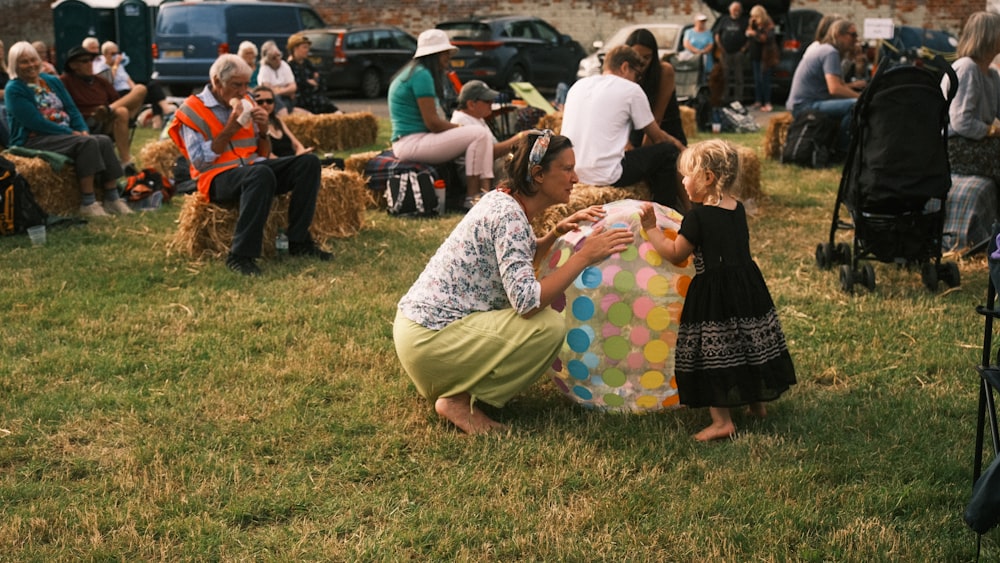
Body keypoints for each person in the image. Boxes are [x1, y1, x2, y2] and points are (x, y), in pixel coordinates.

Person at [393, 130, 635, 434]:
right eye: (567, 168)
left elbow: (515, 263)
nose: (576, 178)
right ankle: (457, 400)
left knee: (542, 322)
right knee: (547, 327)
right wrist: (583, 257)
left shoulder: (502, 201)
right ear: (538, 174)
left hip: (420, 336)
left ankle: (456, 386)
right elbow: (527, 302)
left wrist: (555, 235)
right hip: (430, 343)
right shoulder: (508, 217)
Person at [638, 139, 796, 441]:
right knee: (748, 342)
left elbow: (675, 253)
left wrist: (650, 229)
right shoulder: (736, 209)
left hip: (714, 294)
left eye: (687, 175)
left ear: (707, 178)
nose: (683, 181)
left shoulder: (697, 217)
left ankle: (722, 421)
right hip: (747, 287)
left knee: (714, 354)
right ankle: (756, 404)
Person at [168, 54, 332, 276]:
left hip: (252, 167)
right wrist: (232, 126)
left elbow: (262, 152)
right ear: (217, 82)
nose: (243, 91)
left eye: (246, 84)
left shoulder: (248, 101)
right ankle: (240, 255)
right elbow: (199, 161)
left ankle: (299, 241)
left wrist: (264, 132)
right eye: (237, 85)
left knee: (309, 163)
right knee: (260, 174)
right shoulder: (192, 109)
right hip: (216, 177)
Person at [5, 41, 130, 217]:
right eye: (23, 62)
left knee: (103, 140)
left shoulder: (51, 81)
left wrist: (82, 128)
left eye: (33, 59)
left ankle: (112, 198)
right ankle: (88, 202)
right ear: (14, 65)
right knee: (86, 144)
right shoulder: (14, 89)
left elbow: (71, 108)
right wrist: (71, 133)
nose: (30, 65)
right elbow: (35, 123)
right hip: (34, 138)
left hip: (64, 133)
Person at [560, 45, 686, 209]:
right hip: (607, 175)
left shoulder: (578, 85)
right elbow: (657, 137)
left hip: (573, 171)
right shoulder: (631, 89)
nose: (637, 79)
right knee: (667, 152)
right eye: (637, 74)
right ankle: (665, 212)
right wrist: (679, 146)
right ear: (625, 67)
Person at [388, 29, 495, 210]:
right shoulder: (422, 75)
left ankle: (483, 195)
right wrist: (458, 127)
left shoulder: (413, 72)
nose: (448, 59)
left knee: (479, 134)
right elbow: (433, 124)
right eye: (446, 54)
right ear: (435, 54)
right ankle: (473, 198)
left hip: (410, 141)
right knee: (478, 133)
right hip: (412, 142)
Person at [786, 19, 866, 154]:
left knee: (854, 103)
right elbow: (835, 89)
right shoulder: (830, 52)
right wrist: (862, 98)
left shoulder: (826, 50)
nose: (856, 39)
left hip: (803, 103)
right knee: (855, 106)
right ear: (839, 34)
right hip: (805, 106)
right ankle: (842, 151)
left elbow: (840, 86)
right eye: (853, 35)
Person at [61, 45, 145, 172]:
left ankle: (108, 109)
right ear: (73, 66)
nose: (90, 64)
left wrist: (107, 110)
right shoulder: (65, 81)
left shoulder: (100, 80)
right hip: (87, 122)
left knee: (140, 89)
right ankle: (126, 161)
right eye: (85, 61)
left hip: (107, 117)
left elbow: (117, 99)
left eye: (91, 60)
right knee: (122, 111)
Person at [942, 11, 1000, 186]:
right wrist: (993, 131)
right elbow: (962, 122)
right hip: (956, 146)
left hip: (974, 141)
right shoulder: (967, 68)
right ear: (989, 36)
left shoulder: (992, 74)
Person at [449, 79, 523, 182]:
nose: (491, 104)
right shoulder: (461, 121)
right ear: (471, 104)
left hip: (491, 167)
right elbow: (488, 152)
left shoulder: (476, 117)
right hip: (477, 177)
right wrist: (519, 138)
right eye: (487, 101)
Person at [624, 28, 687, 149]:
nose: (642, 62)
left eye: (647, 57)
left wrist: (643, 156)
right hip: (637, 133)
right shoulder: (626, 73)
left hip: (664, 132)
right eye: (637, 57)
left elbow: (656, 118)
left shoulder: (664, 71)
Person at [252, 85, 311, 158]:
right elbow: (267, 155)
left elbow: (297, 145)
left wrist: (301, 153)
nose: (265, 105)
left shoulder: (278, 120)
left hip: (292, 160)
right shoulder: (253, 124)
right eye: (260, 102)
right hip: (278, 164)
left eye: (269, 101)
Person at [286, 33, 339, 114]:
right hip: (302, 101)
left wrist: (314, 81)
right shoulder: (289, 66)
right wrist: (308, 82)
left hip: (316, 99)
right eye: (304, 47)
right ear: (295, 48)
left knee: (335, 112)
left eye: (308, 47)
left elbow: (319, 79)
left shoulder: (308, 64)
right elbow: (298, 84)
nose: (307, 50)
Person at [746, 4, 778, 112]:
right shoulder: (753, 23)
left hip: (766, 56)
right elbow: (748, 33)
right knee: (757, 80)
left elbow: (765, 38)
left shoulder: (768, 24)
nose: (753, 18)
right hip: (755, 55)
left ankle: (767, 102)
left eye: (755, 16)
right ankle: (758, 101)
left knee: (765, 79)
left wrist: (753, 33)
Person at [715, 2, 749, 104]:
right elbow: (717, 35)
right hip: (725, 53)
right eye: (734, 10)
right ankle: (725, 98)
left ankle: (738, 98)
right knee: (725, 76)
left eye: (738, 10)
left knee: (739, 77)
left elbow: (749, 38)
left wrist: (744, 49)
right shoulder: (724, 20)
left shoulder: (744, 21)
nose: (736, 12)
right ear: (730, 10)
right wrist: (720, 47)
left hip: (738, 53)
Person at [257, 40, 297, 117]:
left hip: (285, 98)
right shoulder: (264, 69)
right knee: (276, 98)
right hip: (272, 100)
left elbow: (293, 87)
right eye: (273, 58)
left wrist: (278, 90)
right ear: (267, 59)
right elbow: (268, 91)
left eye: (279, 55)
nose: (278, 59)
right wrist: (286, 89)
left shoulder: (284, 65)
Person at [683, 14, 715, 81]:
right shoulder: (689, 32)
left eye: (703, 21)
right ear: (696, 22)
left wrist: (703, 51)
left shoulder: (708, 33)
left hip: (705, 57)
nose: (702, 23)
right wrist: (696, 51)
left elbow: (710, 44)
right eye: (700, 21)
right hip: (692, 57)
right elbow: (686, 44)